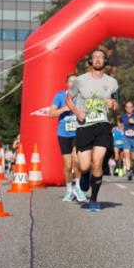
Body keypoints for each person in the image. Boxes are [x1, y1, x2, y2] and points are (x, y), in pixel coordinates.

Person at [67, 48, 119, 213]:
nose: (97, 60)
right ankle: (83, 176)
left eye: (101, 57)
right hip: (84, 126)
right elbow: (69, 99)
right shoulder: (80, 80)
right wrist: (77, 112)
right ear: (90, 61)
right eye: (95, 57)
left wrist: (113, 105)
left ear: (105, 61)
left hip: (103, 125)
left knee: (98, 162)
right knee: (84, 166)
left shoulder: (112, 82)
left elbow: (116, 102)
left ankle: (94, 200)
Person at [48, 73, 86, 202]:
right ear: (67, 84)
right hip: (63, 133)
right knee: (68, 165)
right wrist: (63, 109)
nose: (73, 84)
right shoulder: (60, 96)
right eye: (71, 81)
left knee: (77, 160)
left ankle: (79, 187)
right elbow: (50, 114)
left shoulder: (83, 97)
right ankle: (69, 190)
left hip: (78, 132)